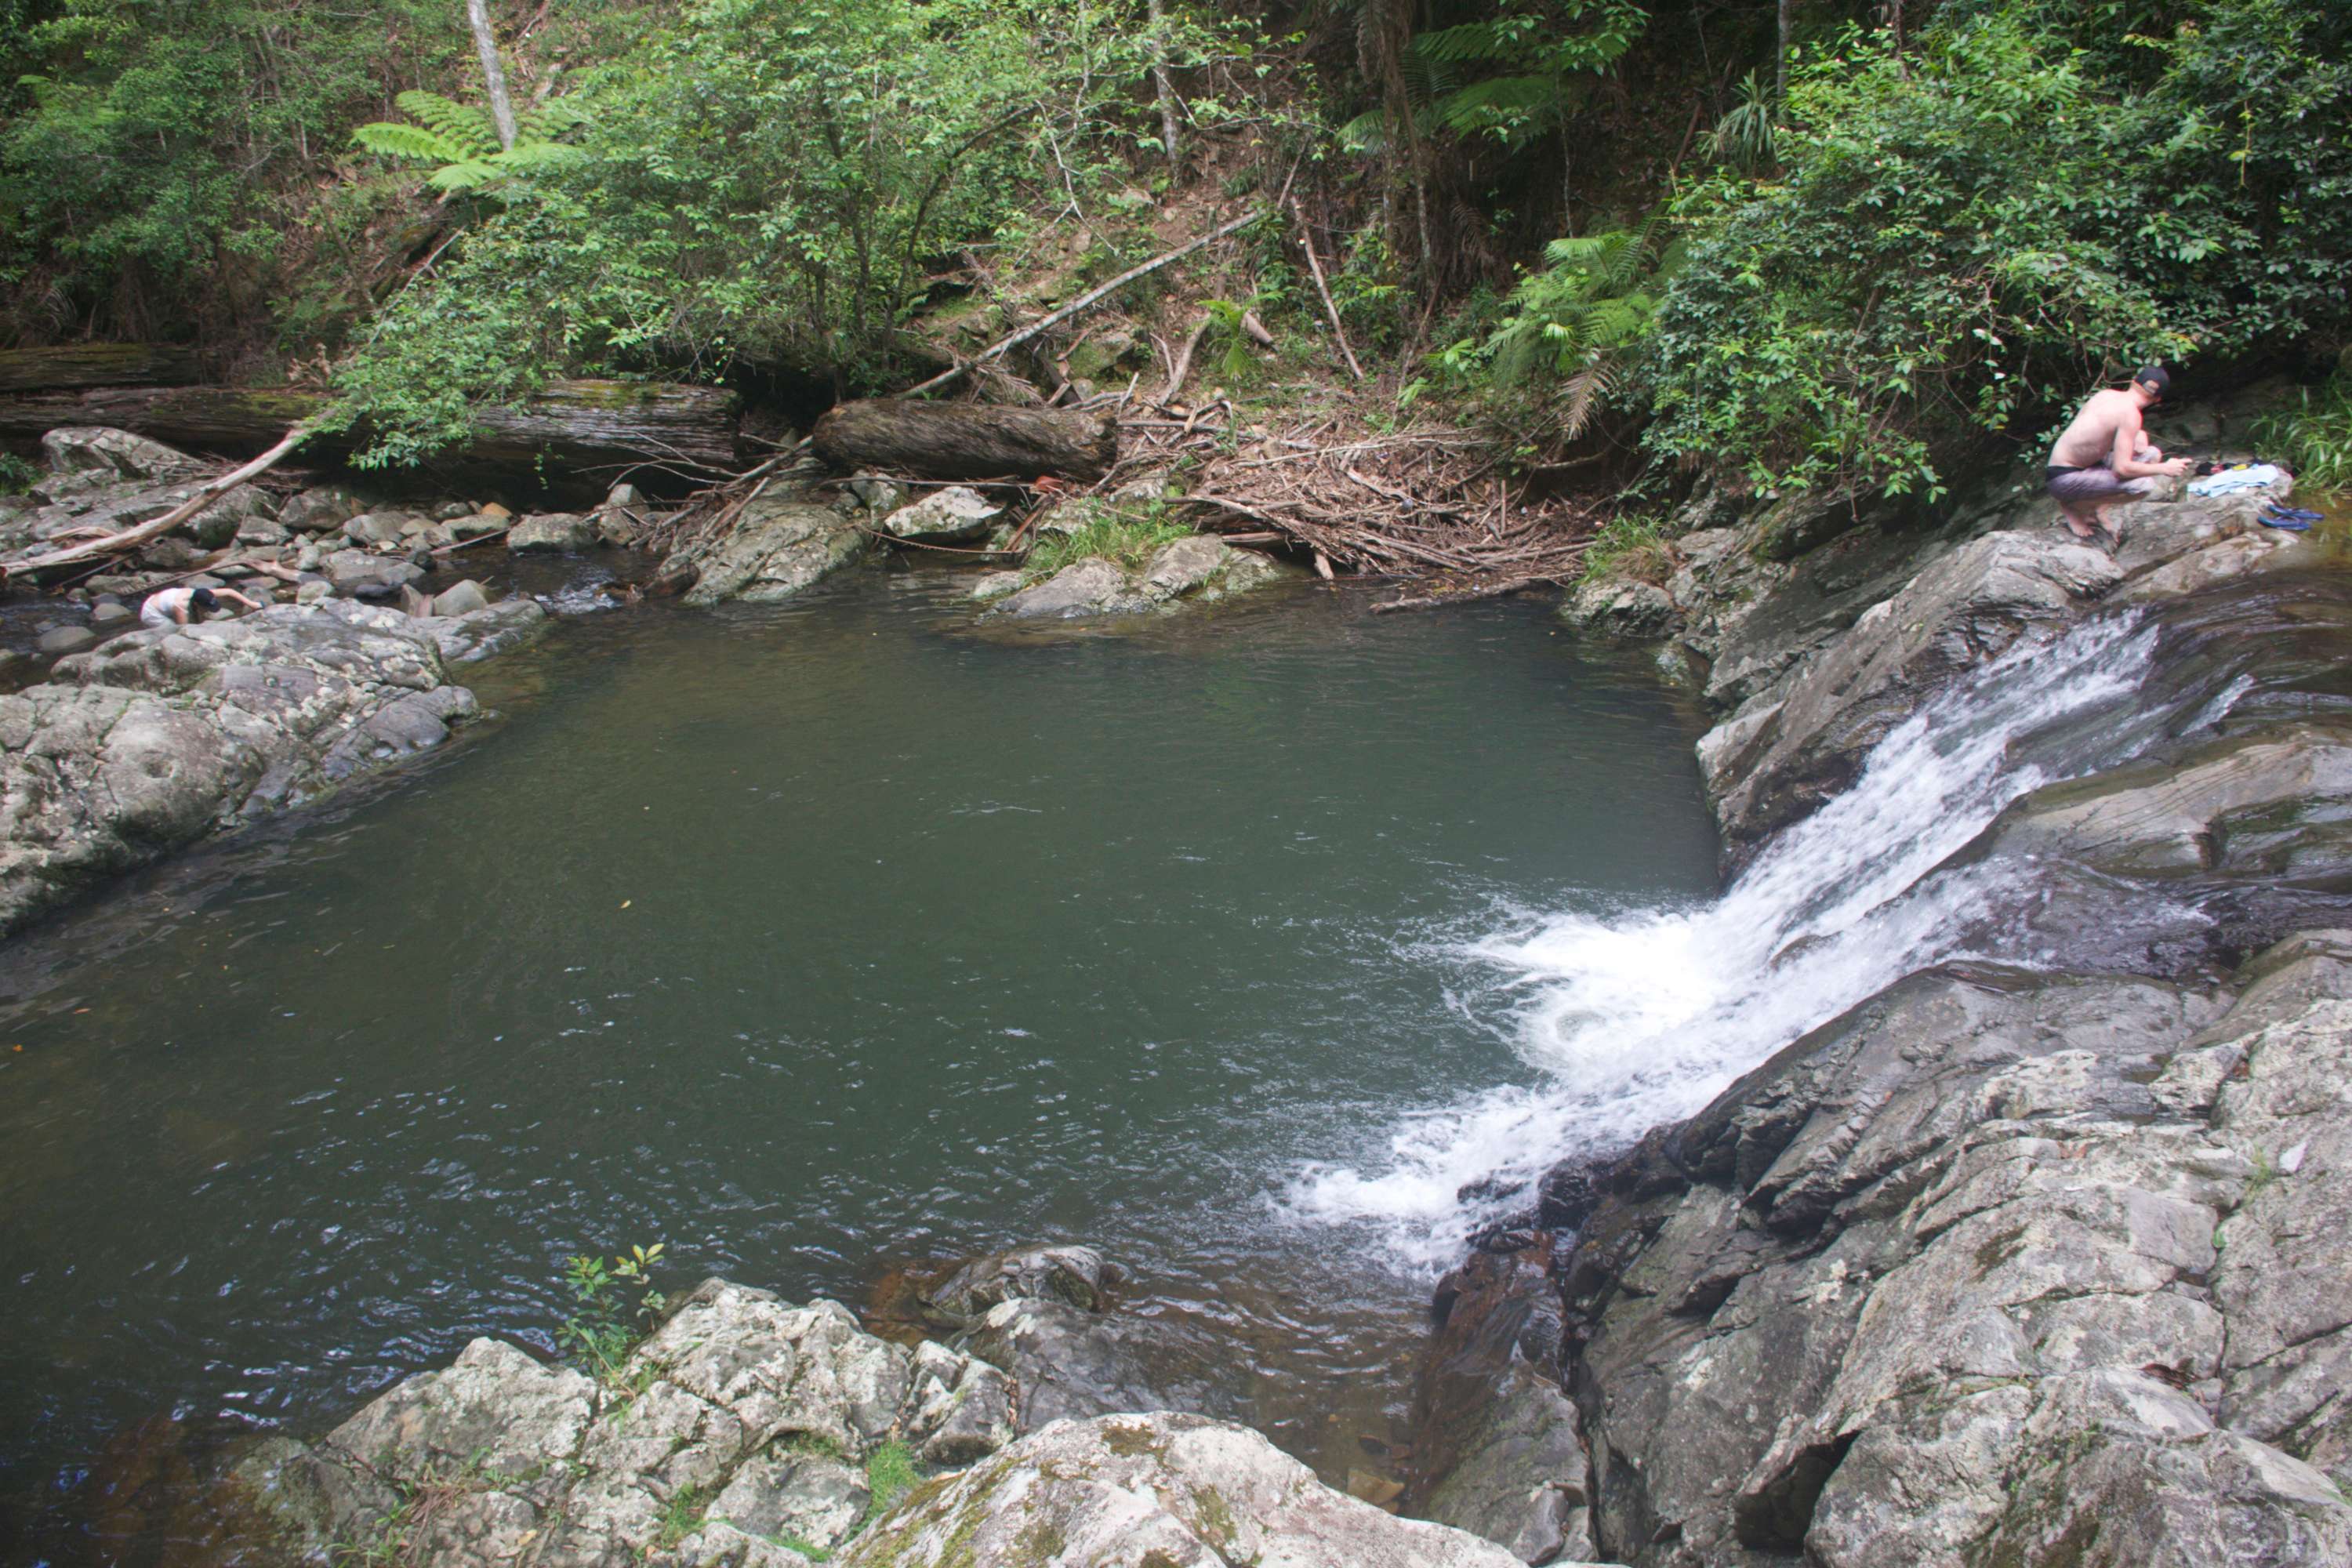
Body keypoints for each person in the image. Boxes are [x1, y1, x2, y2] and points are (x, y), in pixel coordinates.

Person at [2045, 365, 2196, 544]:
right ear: (2157, 399)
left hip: (2070, 467)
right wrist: (2165, 468)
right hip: (2064, 478)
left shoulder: (2106, 395)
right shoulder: (2130, 415)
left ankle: (2098, 509)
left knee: (2152, 454)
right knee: (2143, 485)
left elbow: (2096, 428)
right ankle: (2074, 506)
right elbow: (2121, 470)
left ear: (2133, 382)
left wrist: (2139, 433)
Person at [139, 584, 261, 630]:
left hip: (160, 601)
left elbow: (229, 591)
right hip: (152, 612)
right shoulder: (181, 606)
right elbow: (182, 630)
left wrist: (252, 604)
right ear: (197, 603)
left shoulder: (199, 593)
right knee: (170, 629)